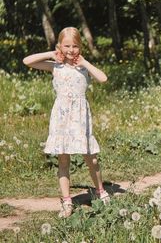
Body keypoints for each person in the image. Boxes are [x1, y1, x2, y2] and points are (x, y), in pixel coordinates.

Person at [23, 27, 110, 218]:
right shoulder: (55, 66)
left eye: (75, 46)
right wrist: (52, 54)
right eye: (67, 46)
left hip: (80, 119)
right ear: (60, 46)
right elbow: (27, 61)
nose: (71, 50)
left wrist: (85, 62)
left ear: (80, 47)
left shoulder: (83, 67)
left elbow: (103, 78)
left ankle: (101, 191)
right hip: (61, 118)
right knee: (63, 160)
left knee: (91, 158)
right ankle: (67, 201)